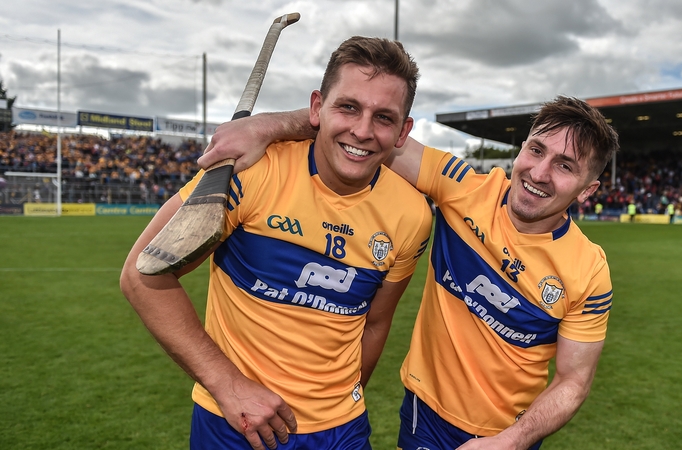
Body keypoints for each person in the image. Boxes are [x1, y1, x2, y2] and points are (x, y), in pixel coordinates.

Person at [200, 95, 619, 449]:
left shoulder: (589, 271)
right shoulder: (465, 188)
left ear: (588, 190)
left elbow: (573, 381)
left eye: (565, 166)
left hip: (511, 433)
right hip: (426, 415)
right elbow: (363, 134)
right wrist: (266, 126)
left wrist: (511, 440)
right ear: (522, 148)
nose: (539, 173)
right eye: (536, 150)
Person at [120, 36, 433, 450]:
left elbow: (375, 322)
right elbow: (141, 275)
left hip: (342, 430)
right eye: (349, 106)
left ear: (403, 131)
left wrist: (339, 401)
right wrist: (227, 384)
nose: (362, 130)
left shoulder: (412, 215)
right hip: (237, 424)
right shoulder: (249, 171)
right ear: (317, 107)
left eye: (384, 117)